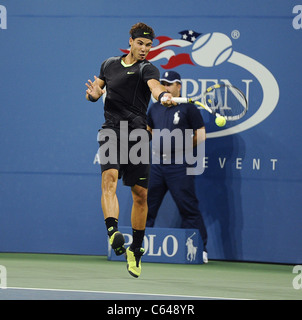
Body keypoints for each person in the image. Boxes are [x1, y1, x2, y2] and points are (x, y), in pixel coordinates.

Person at [85, 22, 175, 278]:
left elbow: (154, 87)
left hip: (137, 133)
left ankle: (136, 248)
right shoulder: (109, 64)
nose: (145, 49)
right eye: (140, 43)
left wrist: (162, 96)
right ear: (131, 41)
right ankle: (113, 231)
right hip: (111, 129)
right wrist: (93, 95)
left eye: (149, 45)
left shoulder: (148, 68)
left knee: (140, 196)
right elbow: (97, 90)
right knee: (109, 180)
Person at [146, 70, 209, 263]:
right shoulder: (154, 108)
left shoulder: (188, 108)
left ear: (178, 86)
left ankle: (199, 249)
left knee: (188, 208)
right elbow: (149, 130)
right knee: (145, 207)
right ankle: (139, 247)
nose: (165, 87)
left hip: (180, 165)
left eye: (169, 84)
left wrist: (182, 148)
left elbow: (201, 133)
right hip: (156, 164)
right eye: (163, 83)